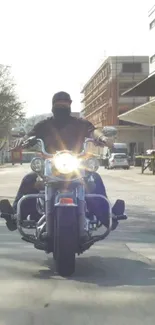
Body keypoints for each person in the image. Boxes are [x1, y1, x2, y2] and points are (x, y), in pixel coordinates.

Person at [0, 91, 112, 231]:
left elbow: (93, 131)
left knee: (94, 178)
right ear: (53, 106)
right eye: (58, 104)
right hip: (49, 166)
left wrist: (103, 138)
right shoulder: (44, 125)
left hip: (75, 166)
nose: (62, 106)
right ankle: (15, 216)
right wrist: (20, 142)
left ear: (70, 105)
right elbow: (29, 136)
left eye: (65, 104)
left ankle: (108, 217)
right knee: (29, 179)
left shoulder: (80, 124)